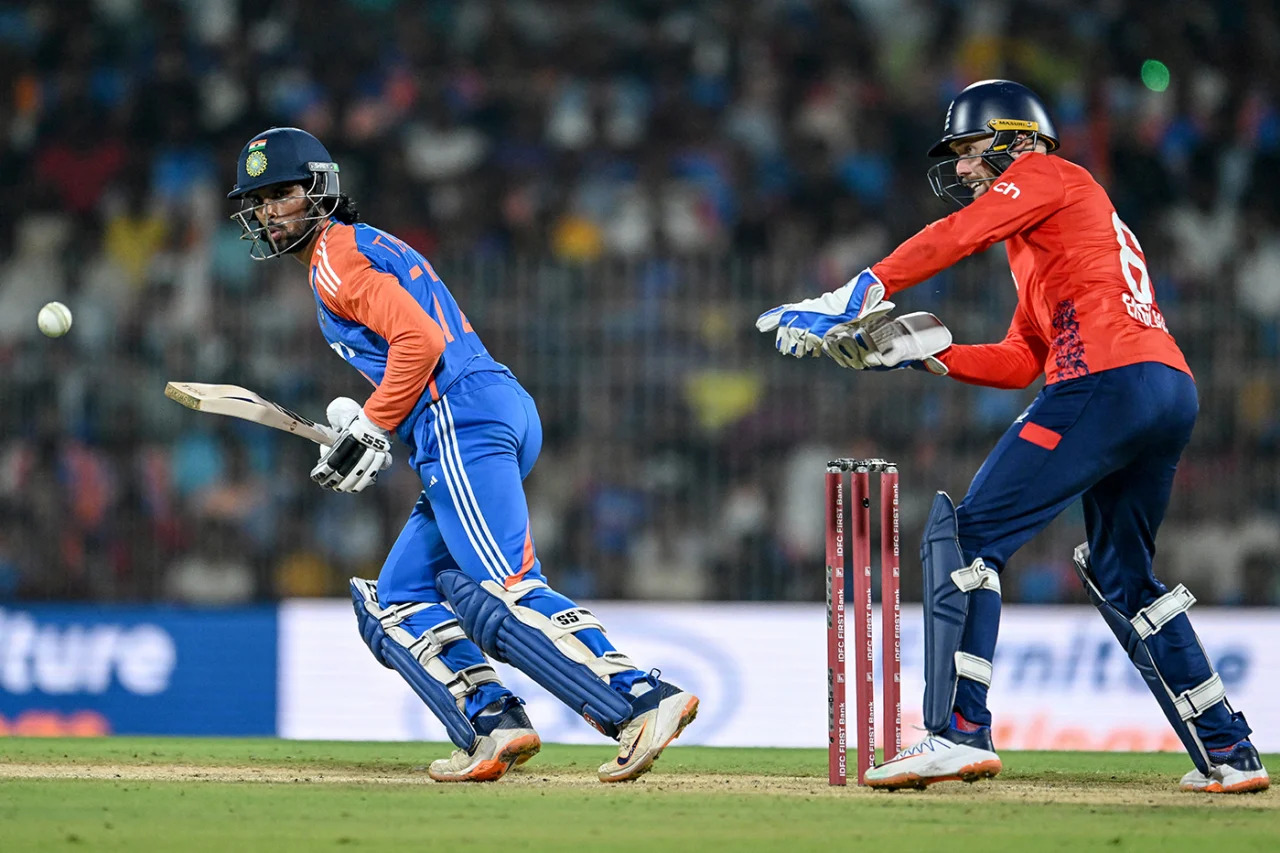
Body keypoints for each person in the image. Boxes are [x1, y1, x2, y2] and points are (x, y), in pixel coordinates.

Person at [757, 80, 1269, 794]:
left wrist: (857, 292)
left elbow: (959, 234)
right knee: (1125, 573)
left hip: (1106, 380)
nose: (962, 169)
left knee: (964, 536)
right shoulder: (1051, 229)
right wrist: (928, 355)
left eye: (970, 151)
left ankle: (956, 732)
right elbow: (1024, 358)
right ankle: (1231, 750)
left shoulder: (1049, 174)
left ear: (1018, 139)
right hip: (1162, 385)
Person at [226, 127, 697, 783]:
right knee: (398, 597)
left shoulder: (334, 257)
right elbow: (407, 347)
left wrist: (375, 423)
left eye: (281, 193)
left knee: (507, 586)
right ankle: (492, 721)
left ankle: (642, 698)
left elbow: (418, 340)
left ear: (319, 189)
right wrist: (363, 420)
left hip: (460, 416)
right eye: (260, 200)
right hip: (475, 409)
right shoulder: (354, 248)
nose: (270, 211)